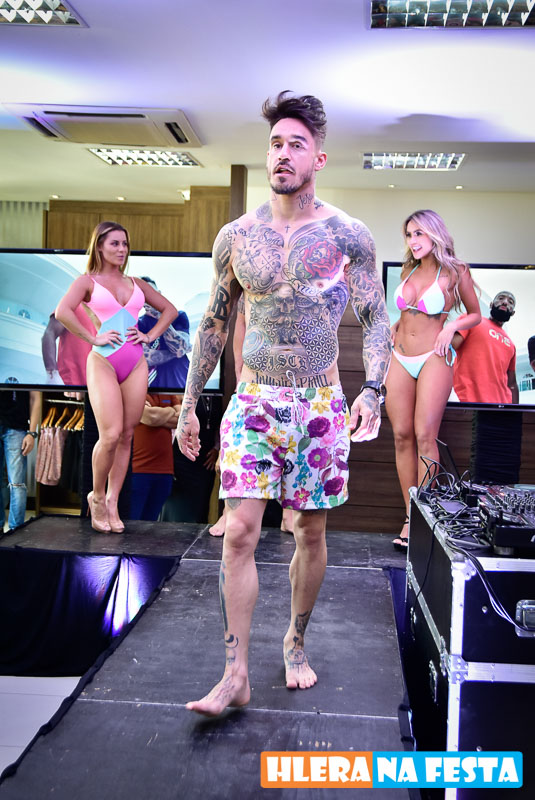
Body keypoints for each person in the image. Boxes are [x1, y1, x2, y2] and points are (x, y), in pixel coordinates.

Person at [176, 91, 391, 716]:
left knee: (310, 531)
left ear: (318, 158)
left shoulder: (349, 235)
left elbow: (376, 319)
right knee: (239, 532)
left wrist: (373, 389)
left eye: (297, 144)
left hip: (320, 402)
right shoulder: (237, 237)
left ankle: (295, 641)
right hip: (254, 400)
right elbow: (214, 325)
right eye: (275, 143)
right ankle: (235, 672)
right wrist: (190, 404)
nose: (283, 154)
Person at [55, 221, 177, 533]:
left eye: (125, 244)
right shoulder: (87, 282)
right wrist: (92, 338)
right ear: (99, 246)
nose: (122, 249)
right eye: (114, 243)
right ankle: (96, 496)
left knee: (126, 435)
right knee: (109, 435)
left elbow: (170, 310)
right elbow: (62, 311)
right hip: (103, 361)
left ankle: (112, 501)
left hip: (135, 363)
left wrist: (149, 336)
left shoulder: (136, 283)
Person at [385, 209, 481, 551]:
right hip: (399, 355)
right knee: (401, 436)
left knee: (425, 435)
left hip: (434, 357)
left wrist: (452, 325)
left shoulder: (456, 271)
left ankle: (425, 519)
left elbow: (475, 314)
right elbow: (408, 312)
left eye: (419, 234)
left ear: (434, 234)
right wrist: (397, 324)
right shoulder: (408, 269)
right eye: (409, 235)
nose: (413, 241)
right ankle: (410, 515)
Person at [209, 298, 294, 537]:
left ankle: (289, 514)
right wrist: (240, 374)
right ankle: (228, 512)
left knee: (292, 449)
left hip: (298, 383)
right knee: (235, 453)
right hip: (255, 382)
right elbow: (242, 324)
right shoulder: (251, 291)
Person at [453, 291, 519, 404]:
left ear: (512, 313)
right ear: (491, 304)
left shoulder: (511, 345)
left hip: (501, 407)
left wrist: (515, 411)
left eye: (510, 302)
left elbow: (512, 383)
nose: (505, 302)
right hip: (467, 401)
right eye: (501, 298)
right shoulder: (472, 320)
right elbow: (448, 349)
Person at [130, 393, 182, 521]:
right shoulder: (136, 390)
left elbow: (181, 419)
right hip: (138, 469)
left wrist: (157, 414)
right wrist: (171, 410)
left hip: (165, 471)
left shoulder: (168, 391)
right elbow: (149, 418)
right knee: (132, 521)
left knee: (151, 524)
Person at [137, 277, 192, 389]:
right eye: (144, 294)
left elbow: (179, 348)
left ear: (159, 293)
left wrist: (160, 315)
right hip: (153, 390)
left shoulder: (178, 316)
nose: (149, 297)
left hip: (183, 386)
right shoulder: (138, 324)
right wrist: (175, 353)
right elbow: (145, 358)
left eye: (152, 292)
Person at [0, 389, 42, 531]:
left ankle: (15, 530)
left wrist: (32, 433)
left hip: (16, 426)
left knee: (16, 484)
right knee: (14, 483)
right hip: (15, 427)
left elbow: (36, 396)